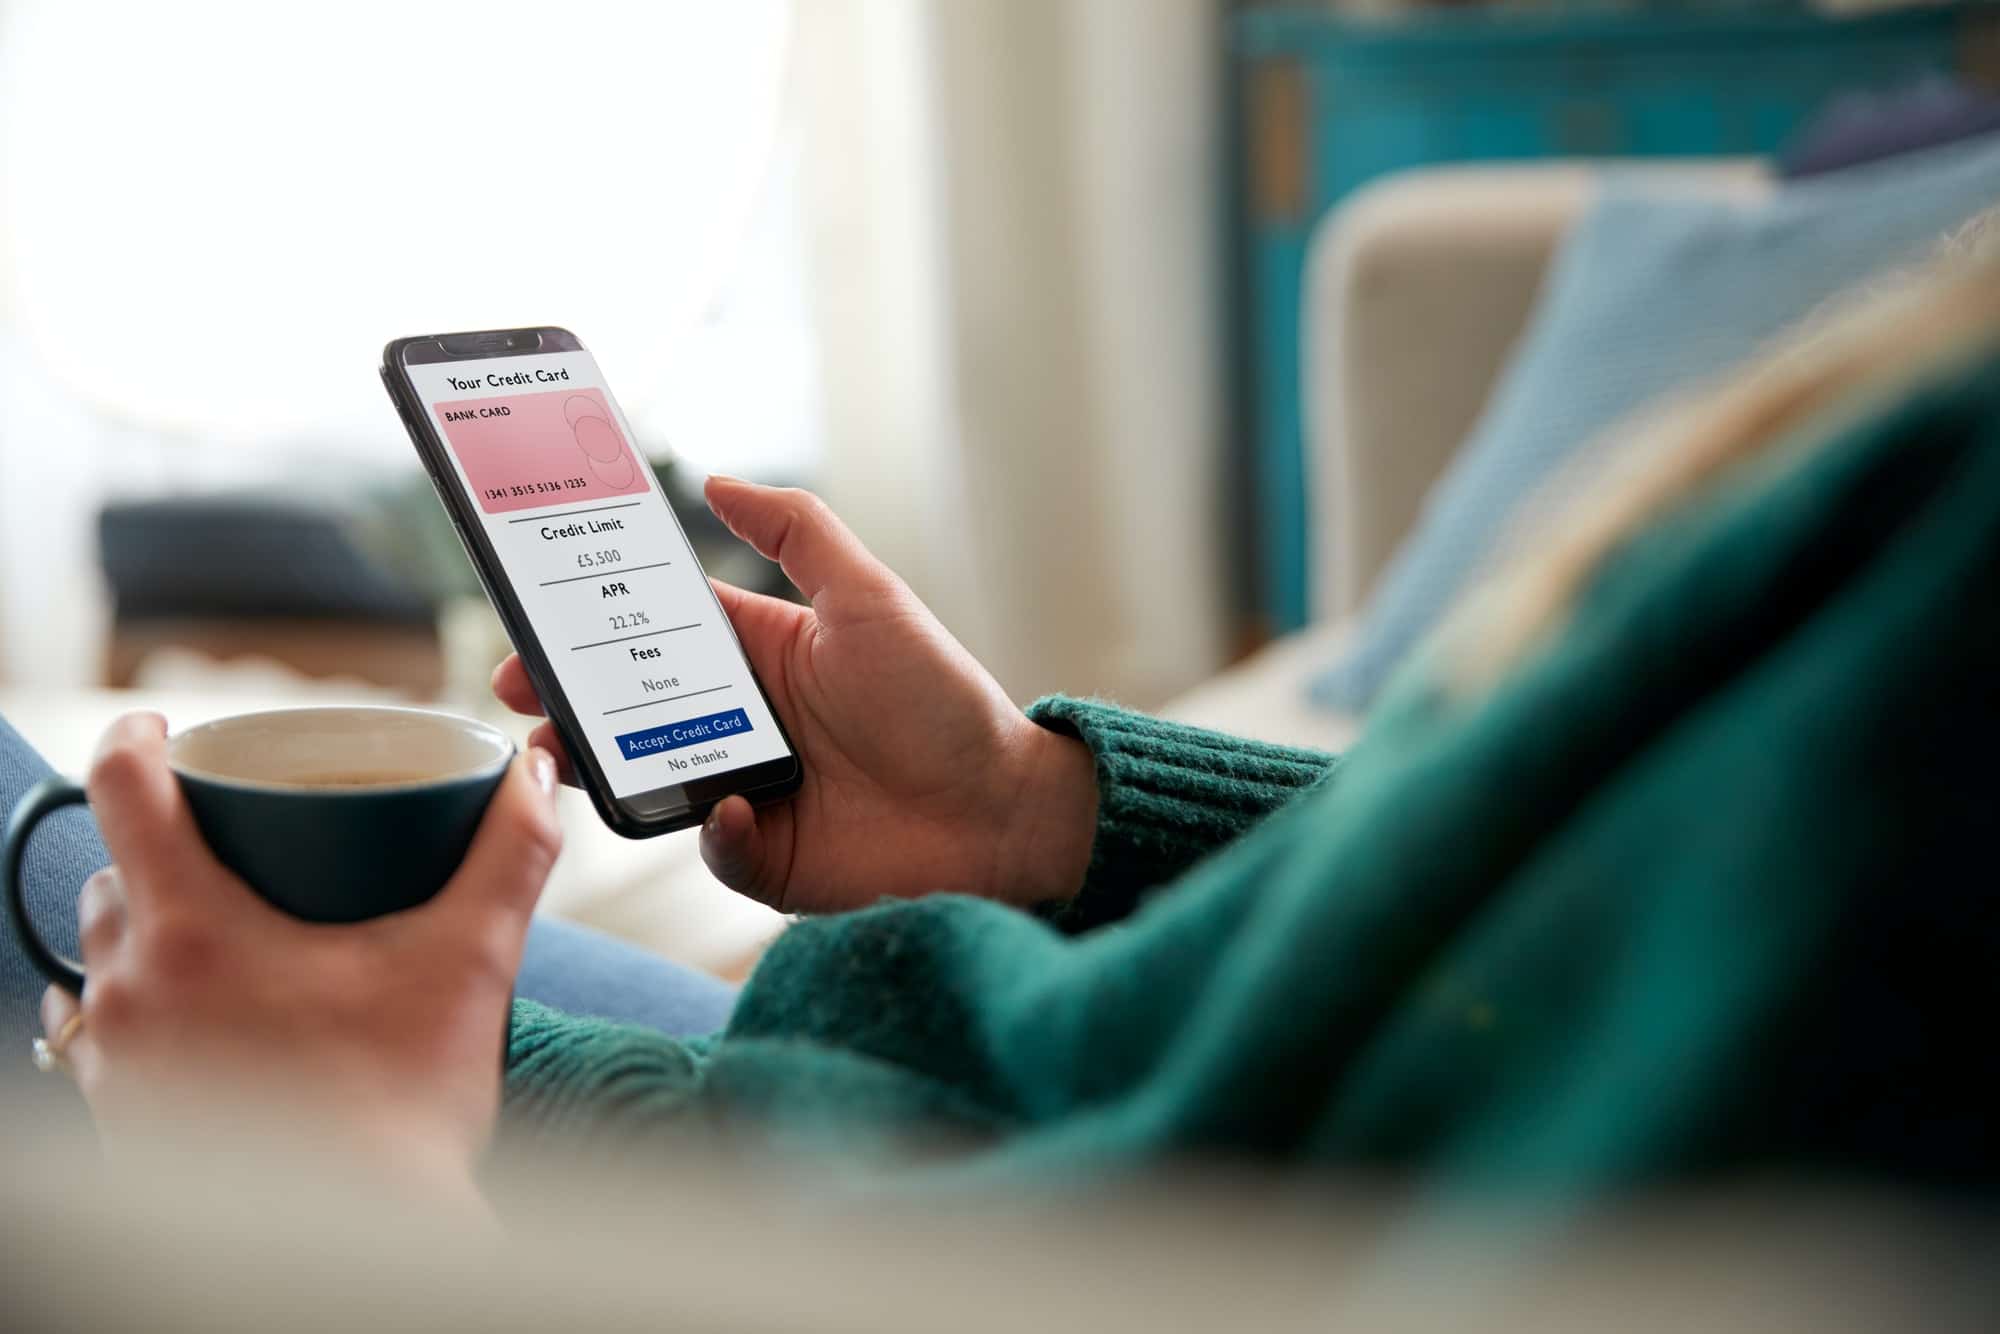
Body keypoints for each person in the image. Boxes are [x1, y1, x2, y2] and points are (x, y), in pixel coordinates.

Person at [7, 243, 2000, 1213]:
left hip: (897, 1204)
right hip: (972, 1085)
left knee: (54, 865)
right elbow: (1575, 917)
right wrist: (1043, 815)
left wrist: (352, 1178)